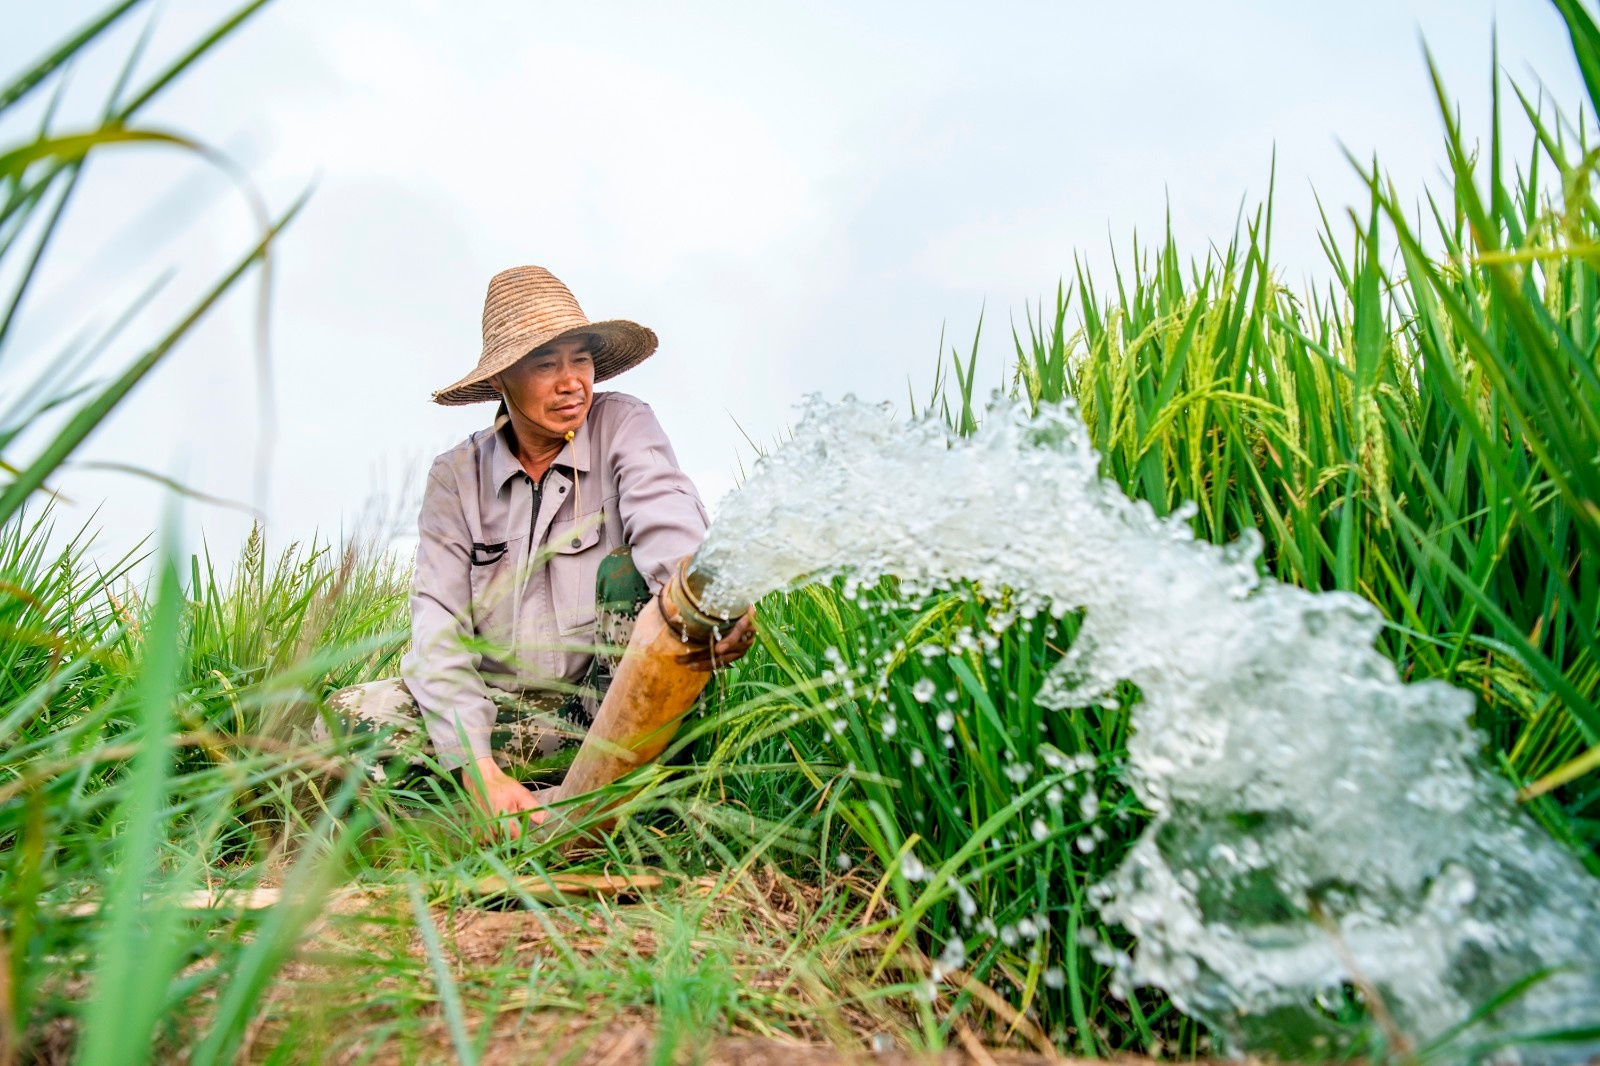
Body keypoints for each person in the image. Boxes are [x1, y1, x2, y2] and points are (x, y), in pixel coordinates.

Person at [319, 265, 756, 833]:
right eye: (546, 365)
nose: (571, 381)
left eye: (580, 360)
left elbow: (665, 517)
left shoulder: (623, 423)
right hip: (504, 720)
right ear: (502, 381)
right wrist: (480, 770)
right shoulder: (456, 477)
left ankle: (612, 807)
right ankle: (509, 815)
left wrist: (704, 598)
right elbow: (439, 628)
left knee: (639, 589)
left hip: (612, 708)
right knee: (352, 718)